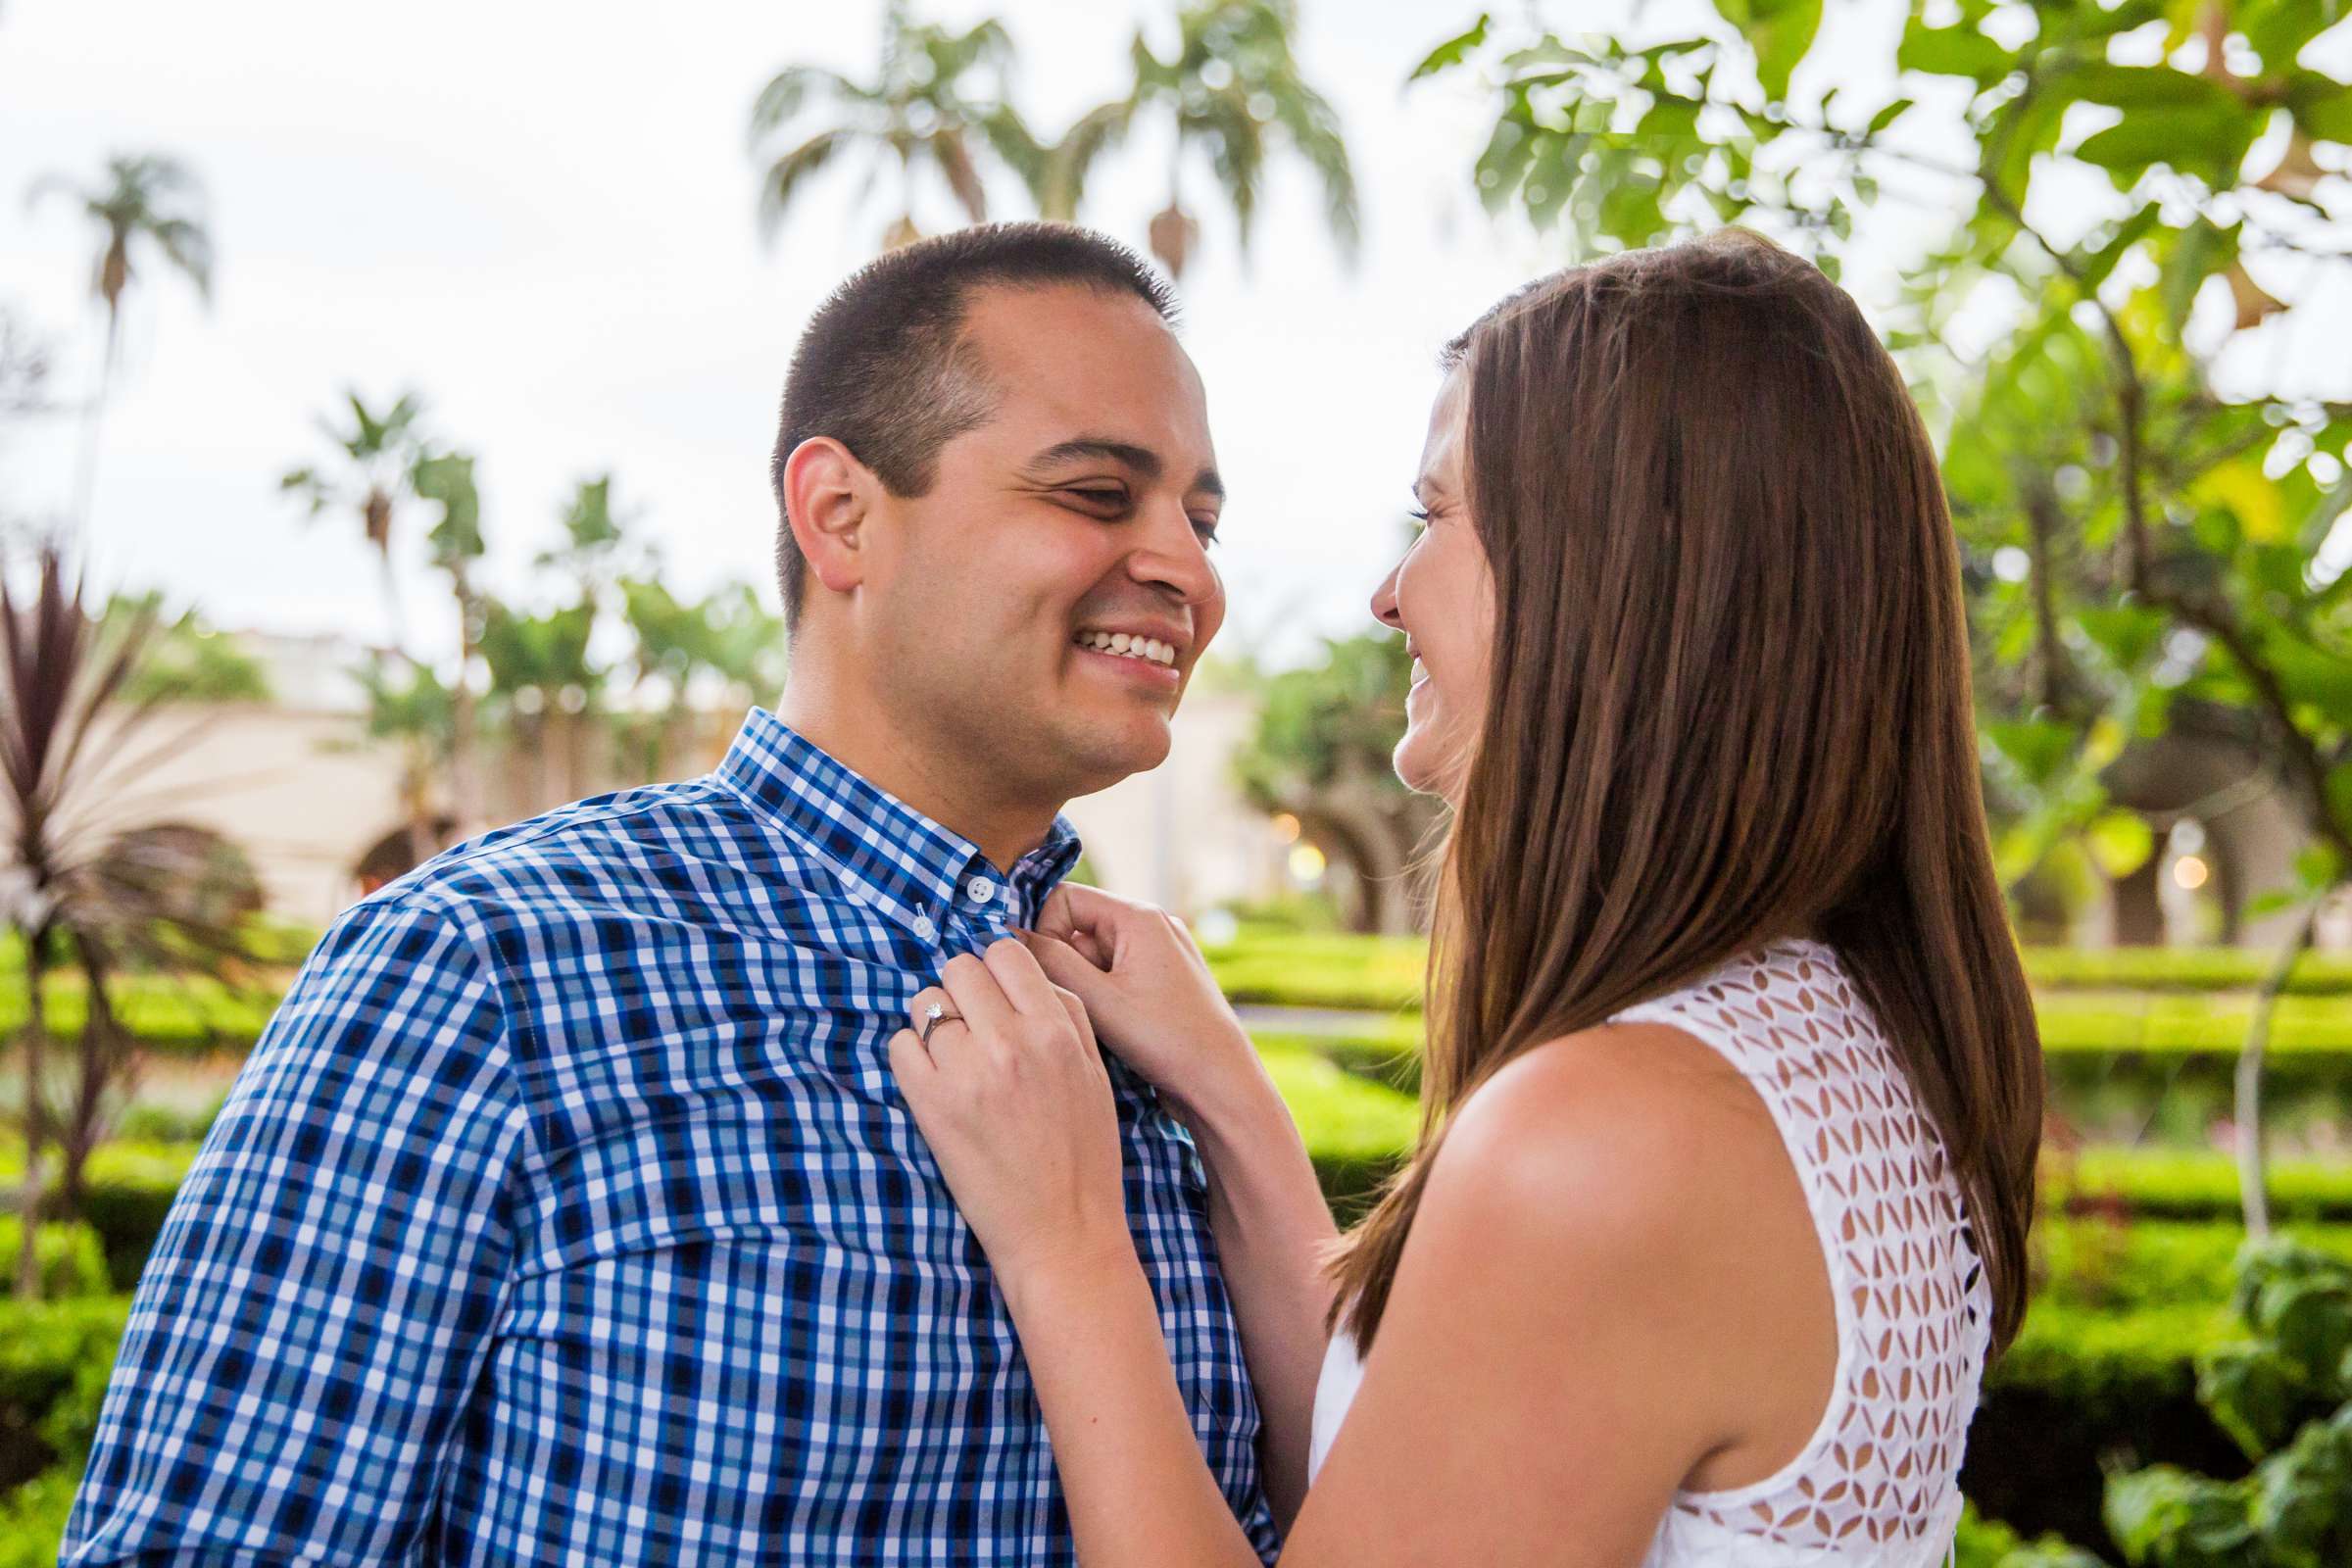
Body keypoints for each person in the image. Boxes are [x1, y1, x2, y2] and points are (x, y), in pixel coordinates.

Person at [60, 222, 1282, 1565]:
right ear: (842, 517)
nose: (1189, 569)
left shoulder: (1151, 1037)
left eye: (1203, 519)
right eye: (1099, 495)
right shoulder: (486, 966)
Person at [888, 228, 2045, 1567]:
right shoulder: (1831, 1035)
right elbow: (1454, 1457)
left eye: (1434, 519)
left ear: (1616, 574)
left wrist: (1067, 1243)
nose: (1389, 595)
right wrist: (1234, 1098)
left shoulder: (1616, 1141)